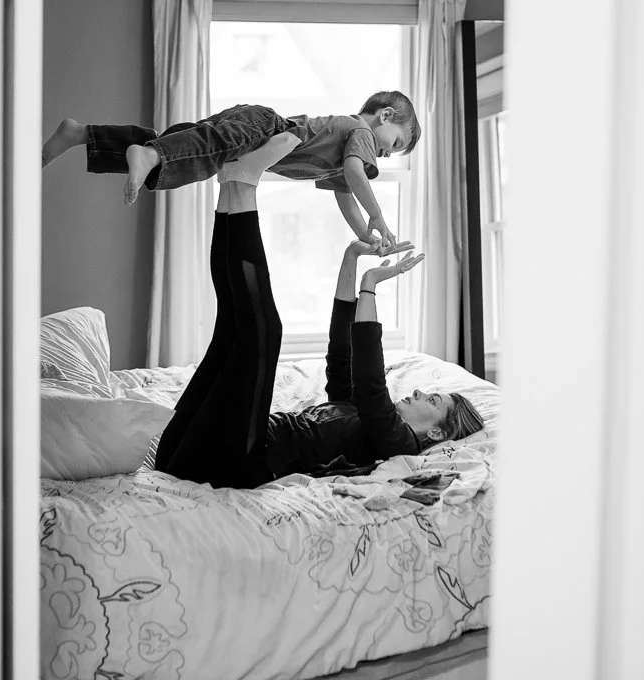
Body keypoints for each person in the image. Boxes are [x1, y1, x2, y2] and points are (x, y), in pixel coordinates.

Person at [152, 157, 485, 491]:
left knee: (260, 330)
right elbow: (341, 355)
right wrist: (352, 257)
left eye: (432, 400)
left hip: (235, 463)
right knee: (232, 325)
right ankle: (233, 185)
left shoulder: (398, 444)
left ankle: (240, 185)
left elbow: (372, 386)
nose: (418, 392)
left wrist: (370, 284)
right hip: (183, 455)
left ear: (438, 432)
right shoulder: (361, 413)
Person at [40, 91, 419, 249]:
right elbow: (356, 173)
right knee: (197, 152)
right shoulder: (360, 132)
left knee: (187, 143)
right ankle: (150, 156)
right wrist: (380, 217)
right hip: (265, 125)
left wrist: (368, 238)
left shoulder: (343, 153)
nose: (386, 155)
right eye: (396, 144)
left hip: (250, 129)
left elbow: (345, 194)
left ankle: (83, 134)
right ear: (385, 116)